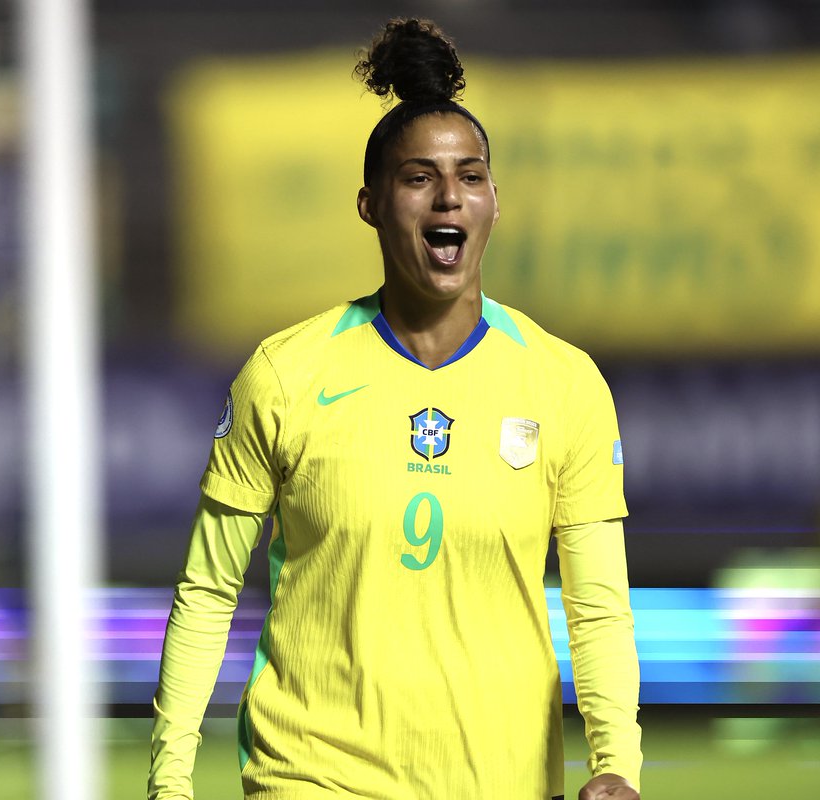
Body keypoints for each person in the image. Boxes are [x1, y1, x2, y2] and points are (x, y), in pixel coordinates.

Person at [149, 17, 642, 800]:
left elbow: (599, 608)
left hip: (502, 783)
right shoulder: (284, 375)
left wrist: (616, 764)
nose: (449, 195)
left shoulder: (563, 382)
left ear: (494, 202)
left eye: (471, 176)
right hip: (313, 776)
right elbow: (208, 592)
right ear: (370, 204)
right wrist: (170, 781)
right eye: (419, 178)